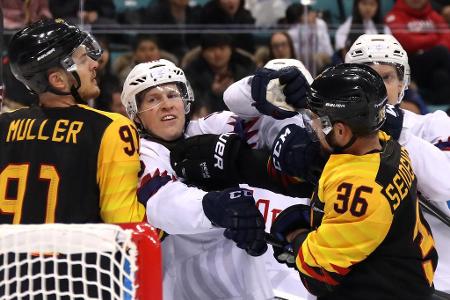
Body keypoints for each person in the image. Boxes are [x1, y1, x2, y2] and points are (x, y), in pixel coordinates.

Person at [121, 58, 286, 300]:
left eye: (172, 95)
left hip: (244, 280)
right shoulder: (142, 153)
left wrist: (276, 95)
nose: (166, 105)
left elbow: (263, 125)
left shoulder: (208, 127)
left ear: (185, 101)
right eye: (153, 99)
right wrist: (217, 206)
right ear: (136, 116)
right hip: (186, 282)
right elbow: (161, 202)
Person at [270, 63, 438, 299]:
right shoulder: (387, 144)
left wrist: (296, 236)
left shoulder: (360, 189)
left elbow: (317, 274)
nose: (314, 126)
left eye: (318, 119)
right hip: (406, 276)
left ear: (340, 131)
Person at [0, 19, 145, 224]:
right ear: (58, 80)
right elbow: (124, 222)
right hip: (76, 255)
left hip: (9, 255)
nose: (95, 64)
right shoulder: (111, 128)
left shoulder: (4, 126)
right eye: (84, 59)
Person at [345, 33, 450, 292]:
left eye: (386, 77)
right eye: (366, 77)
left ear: (402, 84)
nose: (376, 87)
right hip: (356, 273)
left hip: (434, 276)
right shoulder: (335, 132)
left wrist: (396, 129)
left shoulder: (432, 124)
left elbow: (445, 184)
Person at [385, 0, 450, 104]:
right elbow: (406, 42)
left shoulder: (433, 15)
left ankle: (439, 111)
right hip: (409, 66)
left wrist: (423, 41)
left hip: (432, 65)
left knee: (441, 76)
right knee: (441, 51)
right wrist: (433, 37)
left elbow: (447, 37)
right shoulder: (394, 15)